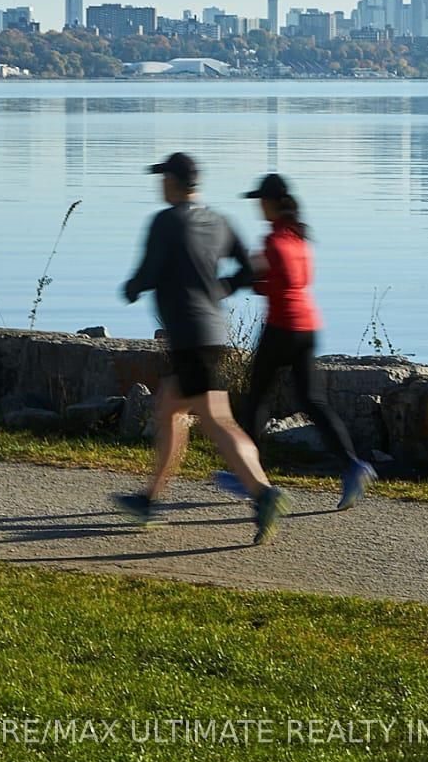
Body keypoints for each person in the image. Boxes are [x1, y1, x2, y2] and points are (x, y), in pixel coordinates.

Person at [117, 151, 291, 545]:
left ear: (175, 182)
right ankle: (149, 499)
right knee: (169, 410)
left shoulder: (166, 221)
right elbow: (250, 269)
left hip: (190, 337)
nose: (160, 184)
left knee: (215, 421)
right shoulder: (219, 221)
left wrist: (132, 288)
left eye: (164, 178)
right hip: (211, 332)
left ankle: (263, 493)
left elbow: (150, 270)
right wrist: (220, 290)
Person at [232, 172, 377, 510]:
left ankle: (251, 477)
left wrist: (235, 281)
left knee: (256, 402)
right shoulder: (299, 238)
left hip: (281, 326)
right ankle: (354, 466)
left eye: (259, 202)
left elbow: (257, 277)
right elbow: (293, 280)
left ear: (269, 203)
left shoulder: (272, 241)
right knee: (313, 402)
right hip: (309, 326)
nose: (258, 208)